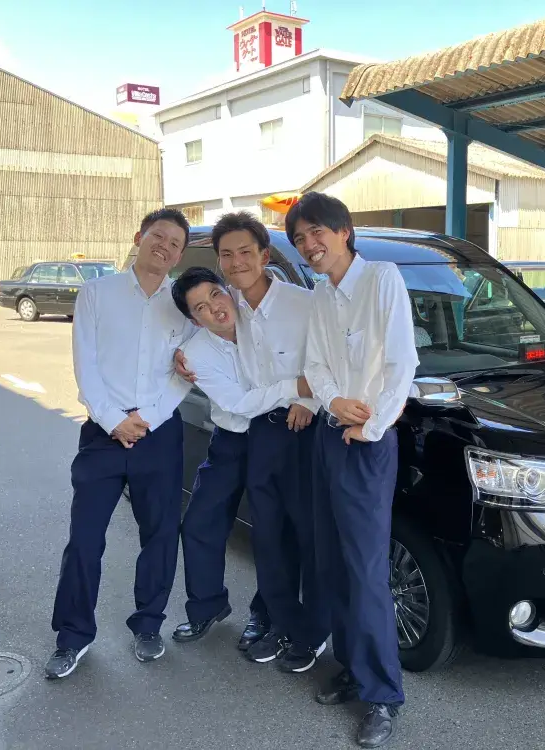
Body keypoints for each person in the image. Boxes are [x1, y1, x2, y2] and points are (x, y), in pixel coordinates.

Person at [285, 192, 418, 748]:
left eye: (316, 232)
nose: (309, 245)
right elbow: (314, 363)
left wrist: (373, 424)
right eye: (299, 239)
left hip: (366, 443)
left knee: (365, 572)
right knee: (331, 561)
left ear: (344, 231)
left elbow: (403, 362)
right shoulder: (321, 294)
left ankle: (383, 694)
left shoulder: (382, 279)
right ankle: (352, 666)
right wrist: (334, 401)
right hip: (329, 435)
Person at [46, 208, 195, 680]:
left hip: (159, 432)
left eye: (174, 243)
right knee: (85, 539)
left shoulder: (183, 305)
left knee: (160, 535)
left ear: (179, 254)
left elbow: (183, 375)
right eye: (158, 236)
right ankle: (72, 636)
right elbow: (85, 366)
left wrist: (145, 420)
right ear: (139, 237)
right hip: (103, 433)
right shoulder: (97, 293)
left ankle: (148, 623)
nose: (165, 247)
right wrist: (114, 421)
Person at [206, 211, 329, 673]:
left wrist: (310, 400)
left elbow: (328, 358)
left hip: (304, 430)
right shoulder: (229, 307)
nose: (237, 261)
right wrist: (182, 356)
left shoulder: (304, 303)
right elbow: (195, 327)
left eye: (245, 251)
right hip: (261, 430)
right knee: (270, 537)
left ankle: (314, 633)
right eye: (227, 255)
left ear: (264, 255)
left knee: (310, 536)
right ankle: (281, 622)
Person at [169, 267, 314, 655]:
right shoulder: (195, 353)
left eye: (215, 295)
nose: (215, 308)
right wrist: (293, 389)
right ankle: (207, 605)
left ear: (227, 290)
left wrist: (305, 397)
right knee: (200, 521)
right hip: (232, 439)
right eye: (201, 308)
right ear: (193, 319)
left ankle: (264, 614)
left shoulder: (258, 317)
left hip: (280, 435)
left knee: (273, 531)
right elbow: (238, 403)